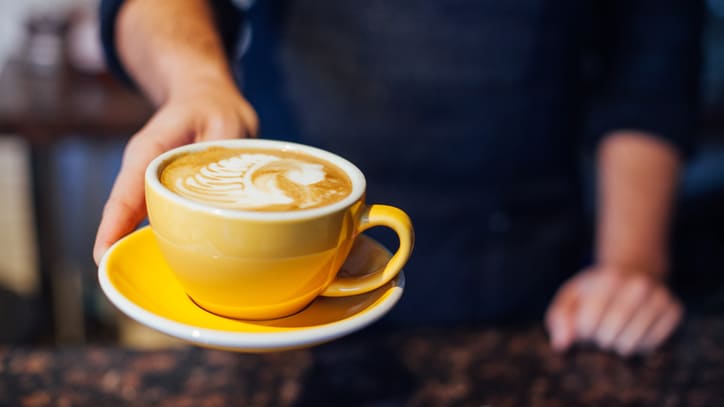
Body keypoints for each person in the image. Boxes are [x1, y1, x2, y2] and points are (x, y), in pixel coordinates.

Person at [95, 0, 701, 356]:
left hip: (524, 289)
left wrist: (631, 262)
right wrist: (196, 78)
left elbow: (652, 56)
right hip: (262, 278)